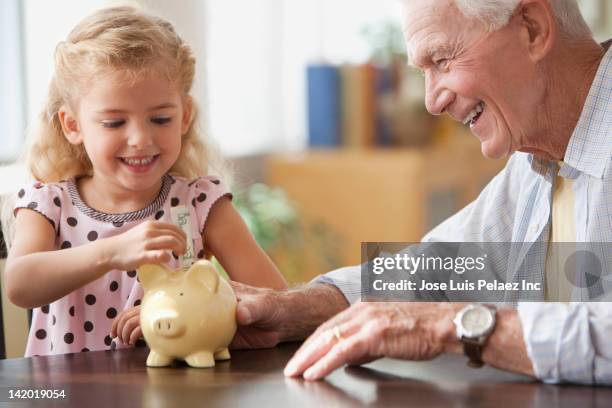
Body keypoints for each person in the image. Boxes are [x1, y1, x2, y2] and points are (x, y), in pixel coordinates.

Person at [230, 0, 612, 385]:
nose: (432, 101)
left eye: (443, 60)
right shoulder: (539, 157)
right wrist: (300, 308)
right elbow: (443, 269)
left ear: (532, 29)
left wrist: (452, 327)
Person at [4, 6, 287, 357]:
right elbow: (20, 284)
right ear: (73, 126)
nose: (140, 138)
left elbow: (277, 304)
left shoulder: (200, 203)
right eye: (114, 123)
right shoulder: (48, 203)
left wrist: (188, 310)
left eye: (160, 118)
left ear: (185, 117)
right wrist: (110, 252)